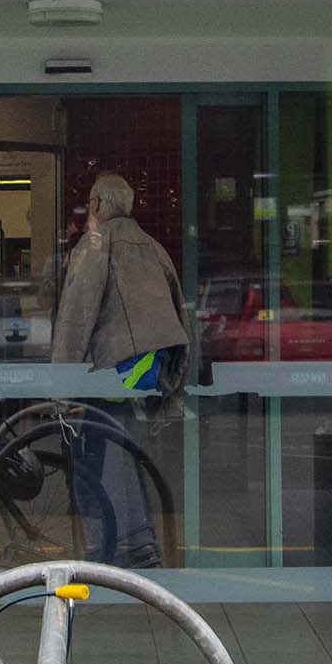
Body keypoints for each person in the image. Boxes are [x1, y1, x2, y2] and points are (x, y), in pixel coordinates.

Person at [48, 172, 189, 567]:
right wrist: (177, 384)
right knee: (122, 453)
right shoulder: (154, 247)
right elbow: (181, 316)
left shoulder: (96, 246)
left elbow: (76, 320)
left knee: (93, 460)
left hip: (110, 373)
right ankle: (140, 541)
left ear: (96, 204)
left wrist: (60, 389)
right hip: (146, 375)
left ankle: (107, 547)